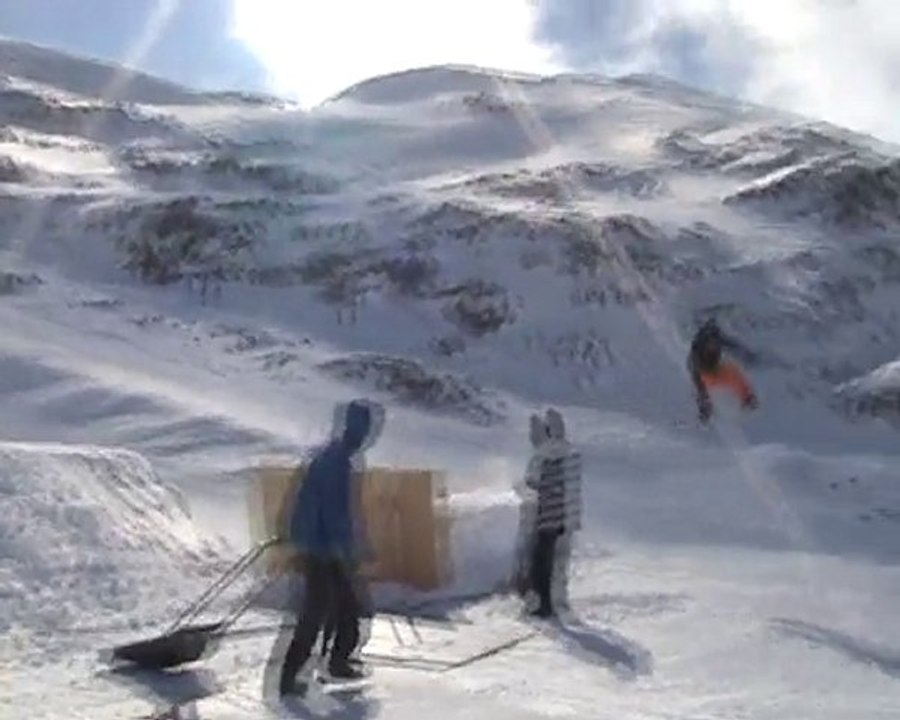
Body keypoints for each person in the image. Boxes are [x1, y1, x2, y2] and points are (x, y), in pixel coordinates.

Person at [278, 399, 383, 696]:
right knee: (316, 614)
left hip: (322, 546)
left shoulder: (335, 457)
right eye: (365, 431)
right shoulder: (335, 463)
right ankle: (288, 680)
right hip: (322, 549)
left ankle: (337, 662)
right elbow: (335, 516)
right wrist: (348, 552)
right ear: (356, 431)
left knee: (346, 608)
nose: (367, 438)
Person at [524, 408, 582, 618]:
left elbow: (531, 481)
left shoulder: (543, 455)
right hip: (568, 517)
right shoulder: (571, 452)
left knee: (541, 562)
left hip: (549, 516)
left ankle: (543, 606)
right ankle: (560, 604)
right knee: (559, 565)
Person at [687, 318, 759, 423]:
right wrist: (704, 405)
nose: (715, 345)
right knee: (705, 385)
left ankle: (747, 398)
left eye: (715, 342)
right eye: (712, 343)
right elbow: (698, 380)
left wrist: (747, 397)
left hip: (714, 367)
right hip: (702, 369)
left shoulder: (719, 341)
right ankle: (704, 415)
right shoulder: (697, 352)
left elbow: (733, 347)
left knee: (731, 373)